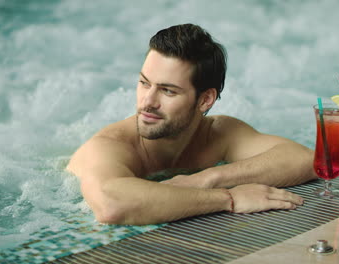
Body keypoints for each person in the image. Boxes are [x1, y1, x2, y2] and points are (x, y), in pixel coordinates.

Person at [66, 23, 318, 226]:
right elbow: (112, 205)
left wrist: (206, 179)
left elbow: (305, 159)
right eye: (144, 83)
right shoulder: (108, 146)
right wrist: (228, 198)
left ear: (205, 100)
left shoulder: (219, 133)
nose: (148, 101)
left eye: (167, 91)